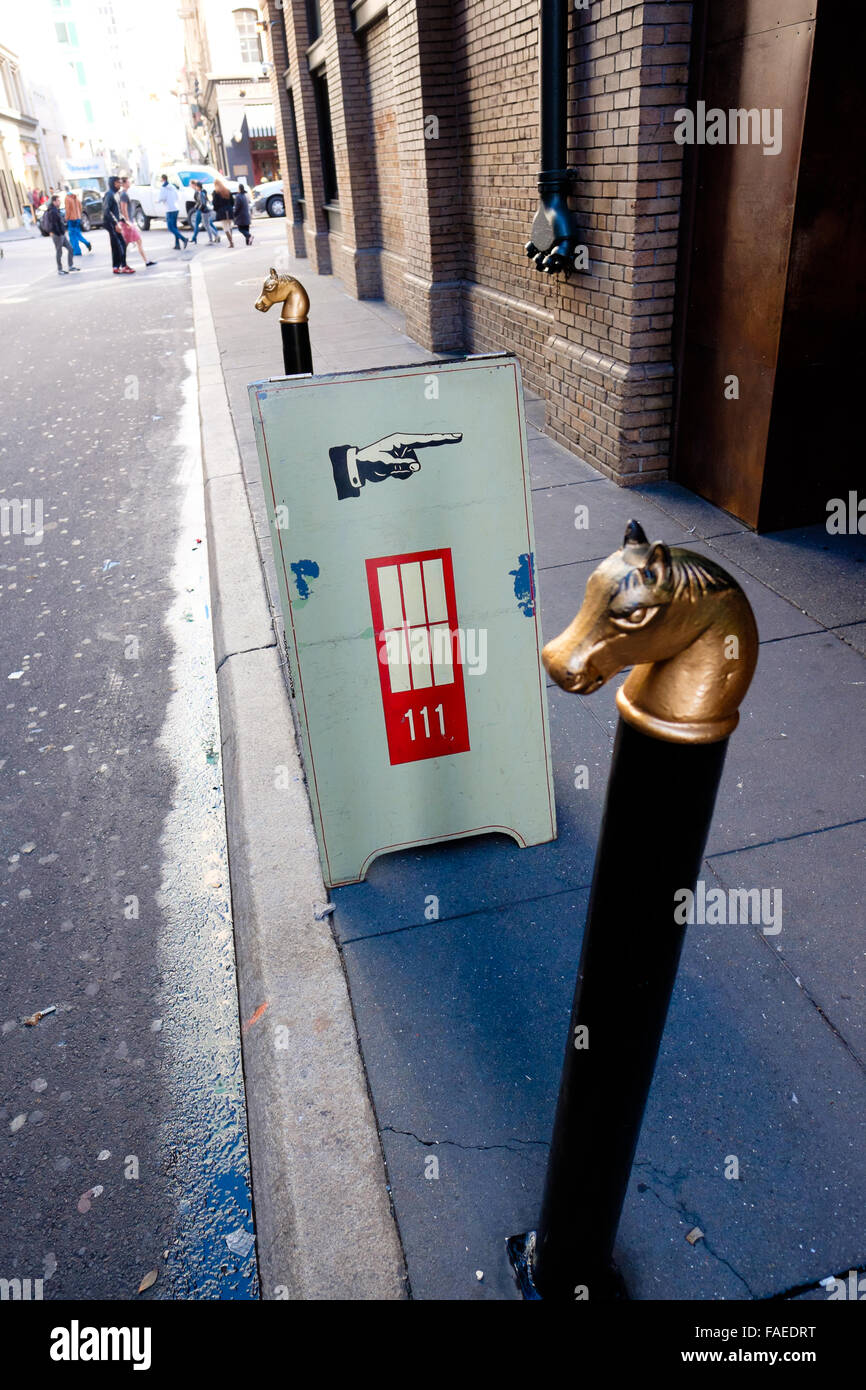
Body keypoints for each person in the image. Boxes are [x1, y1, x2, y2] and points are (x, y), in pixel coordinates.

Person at [119, 177, 156, 268]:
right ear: (124, 183)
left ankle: (122, 263)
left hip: (126, 223)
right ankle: (122, 263)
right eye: (128, 182)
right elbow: (123, 209)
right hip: (127, 223)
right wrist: (128, 222)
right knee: (135, 241)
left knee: (127, 243)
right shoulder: (123, 194)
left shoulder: (123, 193)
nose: (129, 183)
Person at [103, 175, 134, 275]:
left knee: (117, 245)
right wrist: (116, 223)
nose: (120, 184)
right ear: (113, 183)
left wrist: (125, 221)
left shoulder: (116, 194)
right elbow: (106, 211)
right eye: (118, 182)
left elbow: (117, 211)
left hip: (115, 222)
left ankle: (116, 266)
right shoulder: (109, 194)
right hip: (110, 223)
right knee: (120, 244)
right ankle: (123, 266)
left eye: (120, 182)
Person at [41, 195, 79, 276]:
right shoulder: (52, 211)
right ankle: (60, 269)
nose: (60, 202)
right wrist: (59, 232)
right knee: (59, 252)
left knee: (70, 249)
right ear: (54, 202)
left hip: (61, 234)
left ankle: (70, 266)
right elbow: (54, 225)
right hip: (57, 235)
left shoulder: (55, 210)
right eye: (58, 200)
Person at [157, 174, 188, 249]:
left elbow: (162, 198)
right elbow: (178, 197)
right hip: (175, 208)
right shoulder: (173, 186)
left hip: (169, 209)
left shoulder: (163, 188)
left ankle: (184, 239)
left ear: (162, 179)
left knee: (170, 228)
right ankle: (177, 245)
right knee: (174, 227)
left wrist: (157, 201)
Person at [63, 188, 92, 256]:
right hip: (77, 218)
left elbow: (68, 210)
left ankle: (77, 251)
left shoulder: (67, 198)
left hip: (71, 219)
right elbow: (80, 208)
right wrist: (78, 216)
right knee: (77, 234)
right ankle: (87, 243)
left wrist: (66, 218)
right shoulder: (76, 198)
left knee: (73, 236)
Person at [212, 179, 234, 247]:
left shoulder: (216, 192)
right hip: (229, 210)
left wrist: (216, 210)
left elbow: (215, 203)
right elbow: (232, 202)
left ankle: (231, 242)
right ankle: (231, 241)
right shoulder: (227, 191)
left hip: (222, 211)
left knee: (225, 228)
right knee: (230, 226)